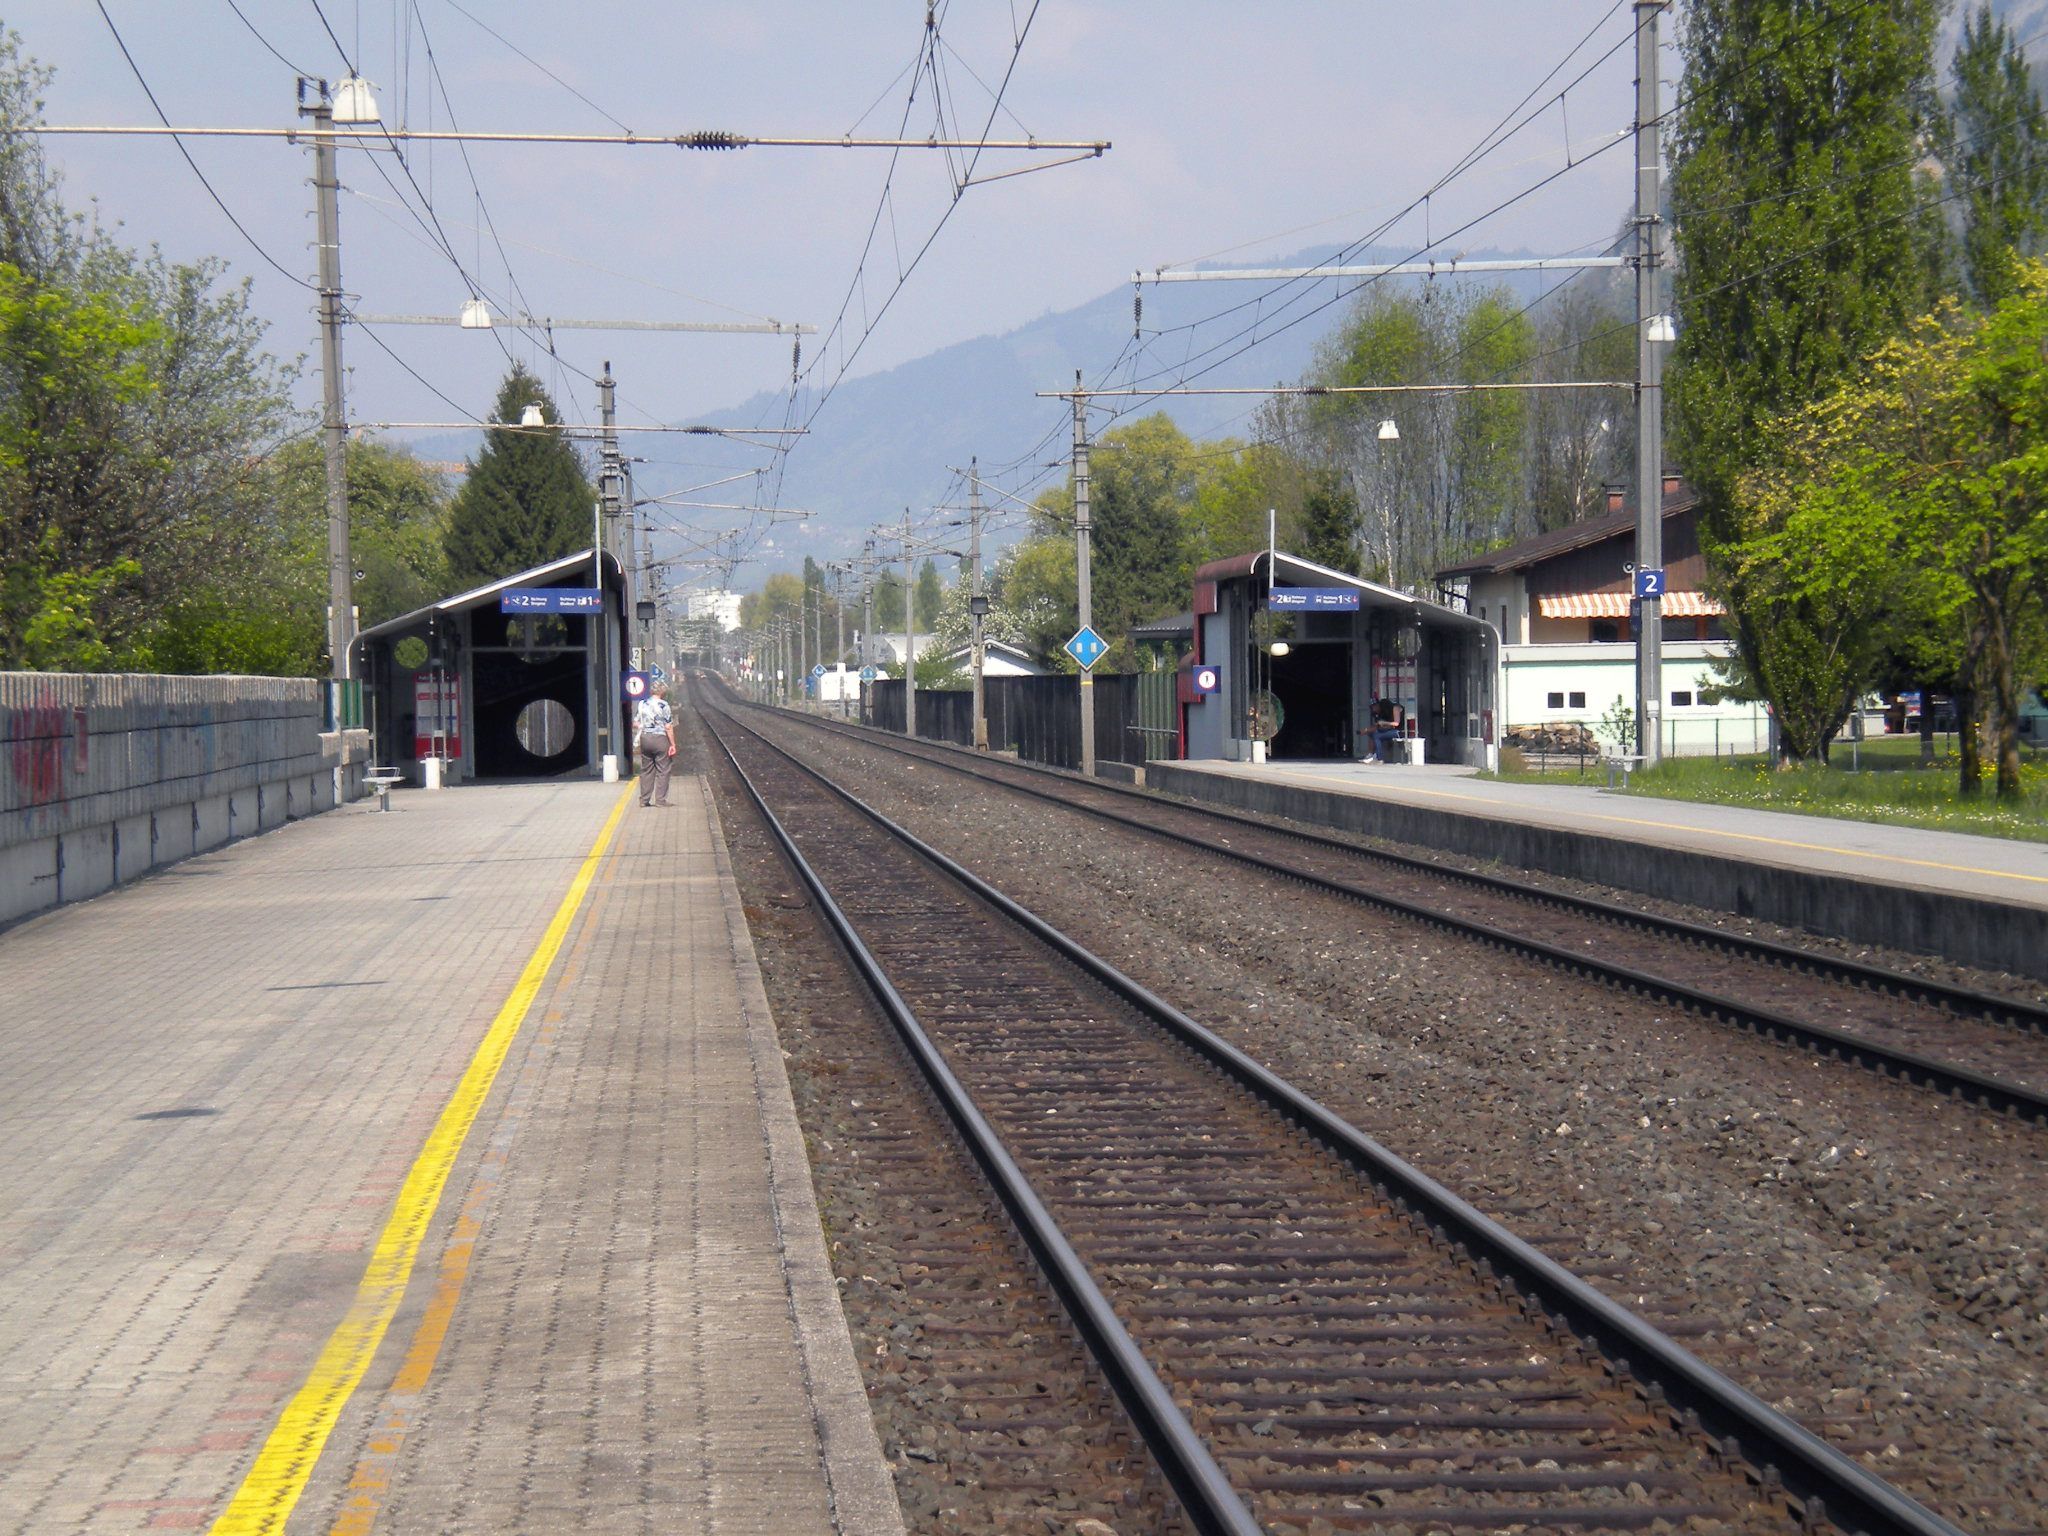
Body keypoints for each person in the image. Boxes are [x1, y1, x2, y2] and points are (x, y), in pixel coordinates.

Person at [635, 681, 676, 807]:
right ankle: (660, 800)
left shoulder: (642, 704)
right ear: (662, 692)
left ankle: (644, 800)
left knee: (646, 769)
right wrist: (673, 744)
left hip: (645, 738)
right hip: (660, 739)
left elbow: (635, 723)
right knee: (663, 769)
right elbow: (668, 726)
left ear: (651, 691)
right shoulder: (664, 705)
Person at [1369, 695, 1405, 762]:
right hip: (1392, 730)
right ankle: (1373, 755)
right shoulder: (1383, 713)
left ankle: (1378, 758)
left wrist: (1385, 723)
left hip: (1399, 731)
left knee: (1377, 736)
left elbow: (1396, 723)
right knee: (1374, 734)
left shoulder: (1395, 708)